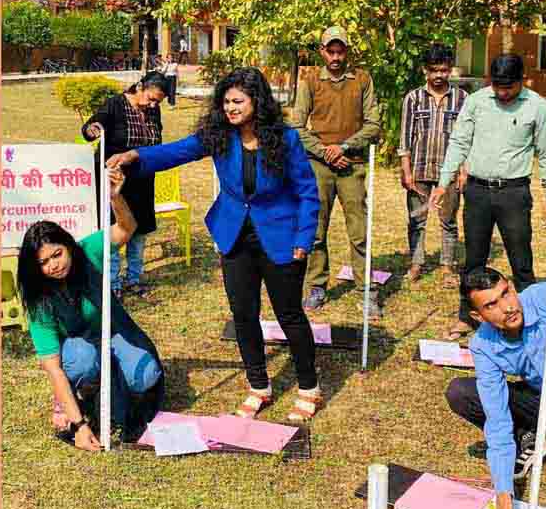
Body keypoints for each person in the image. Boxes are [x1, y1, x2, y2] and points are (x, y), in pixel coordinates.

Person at [107, 67, 325, 422]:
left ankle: (308, 388)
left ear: (257, 101)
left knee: (289, 315)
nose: (230, 108)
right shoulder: (218, 135)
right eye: (225, 102)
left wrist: (304, 239)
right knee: (243, 314)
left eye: (238, 101)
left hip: (281, 238)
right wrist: (134, 157)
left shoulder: (286, 139)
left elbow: (306, 192)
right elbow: (176, 152)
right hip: (234, 234)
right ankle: (259, 386)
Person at [444, 194, 546, 509]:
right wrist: (505, 502)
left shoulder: (540, 298)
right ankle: (527, 436)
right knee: (460, 391)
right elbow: (495, 422)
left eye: (506, 294)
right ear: (478, 316)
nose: (508, 307)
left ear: (512, 287)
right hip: (542, 400)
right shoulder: (484, 346)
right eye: (492, 306)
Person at [18, 167, 164, 450]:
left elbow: (126, 229)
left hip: (112, 332)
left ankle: (113, 377)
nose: (54, 265)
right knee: (83, 361)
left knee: (145, 376)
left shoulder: (89, 252)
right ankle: (78, 394)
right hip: (77, 347)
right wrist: (80, 426)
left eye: (57, 254)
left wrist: (114, 198)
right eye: (44, 263)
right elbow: (53, 368)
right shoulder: (39, 302)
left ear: (69, 246)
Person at [430, 53, 546, 342]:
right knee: (474, 260)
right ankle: (467, 317)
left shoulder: (537, 107)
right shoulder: (476, 102)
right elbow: (459, 141)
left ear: (521, 81)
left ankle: (529, 321)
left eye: (509, 88)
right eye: (498, 87)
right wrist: (443, 182)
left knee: (521, 260)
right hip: (477, 192)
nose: (503, 93)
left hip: (514, 193)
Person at [291, 26, 382, 314]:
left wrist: (342, 148)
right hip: (318, 167)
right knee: (316, 229)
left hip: (351, 165)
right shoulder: (309, 82)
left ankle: (366, 289)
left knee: (359, 230)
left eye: (340, 51)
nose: (335, 56)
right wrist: (325, 153)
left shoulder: (363, 80)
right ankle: (317, 285)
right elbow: (296, 127)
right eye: (330, 51)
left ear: (347, 52)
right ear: (322, 51)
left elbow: (373, 125)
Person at [81, 72, 168, 299]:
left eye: (157, 102)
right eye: (151, 98)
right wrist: (93, 129)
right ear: (139, 86)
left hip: (143, 180)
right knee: (115, 229)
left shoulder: (153, 110)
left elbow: (156, 140)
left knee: (139, 231)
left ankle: (134, 279)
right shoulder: (115, 105)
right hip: (116, 183)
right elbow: (93, 125)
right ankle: (112, 282)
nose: (153, 104)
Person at [399, 43, 468, 286]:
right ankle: (416, 263)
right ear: (425, 71)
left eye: (444, 70)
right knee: (416, 220)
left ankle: (447, 266)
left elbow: (467, 138)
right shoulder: (413, 99)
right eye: (434, 70)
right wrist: (406, 171)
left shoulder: (461, 98)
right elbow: (405, 139)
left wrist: (463, 171)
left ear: (451, 70)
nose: (439, 75)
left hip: (447, 174)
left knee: (448, 221)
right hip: (419, 170)